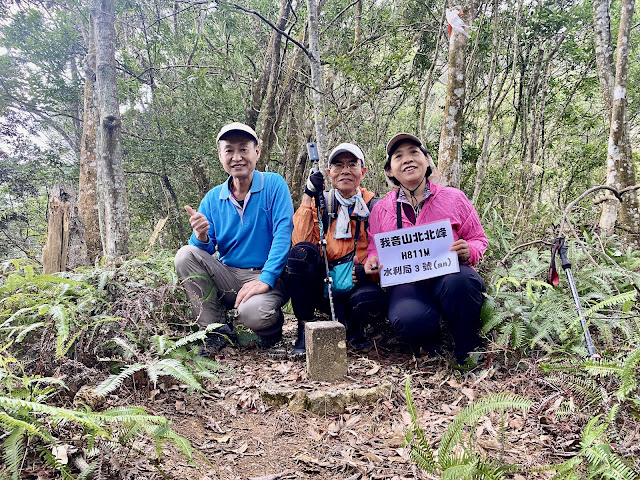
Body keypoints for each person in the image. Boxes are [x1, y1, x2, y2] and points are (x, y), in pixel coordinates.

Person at [364, 133, 487, 366]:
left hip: (449, 277)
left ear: (427, 160)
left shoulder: (454, 198)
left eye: (414, 152)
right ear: (390, 170)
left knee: (461, 283)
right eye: (398, 156)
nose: (407, 159)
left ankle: (466, 346)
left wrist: (468, 250)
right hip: (408, 285)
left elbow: (478, 238)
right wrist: (373, 262)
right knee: (409, 318)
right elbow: (374, 248)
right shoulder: (382, 209)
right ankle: (432, 342)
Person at [174, 122, 294, 353]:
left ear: (256, 152)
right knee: (184, 255)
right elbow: (202, 252)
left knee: (253, 315)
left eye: (243, 149)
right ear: (220, 155)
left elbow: (283, 234)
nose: (236, 157)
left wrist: (266, 278)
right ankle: (215, 331)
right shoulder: (212, 198)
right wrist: (200, 235)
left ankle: (273, 328)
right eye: (229, 150)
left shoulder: (273, 185)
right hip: (229, 277)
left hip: (266, 274)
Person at [286, 142, 387, 354]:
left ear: (363, 171)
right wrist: (308, 195)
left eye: (352, 164)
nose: (346, 170)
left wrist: (370, 273)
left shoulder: (375, 207)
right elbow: (299, 242)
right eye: (339, 165)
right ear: (330, 173)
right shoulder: (321, 203)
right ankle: (305, 327)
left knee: (371, 300)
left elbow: (386, 252)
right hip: (322, 283)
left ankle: (355, 326)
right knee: (300, 253)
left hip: (358, 282)